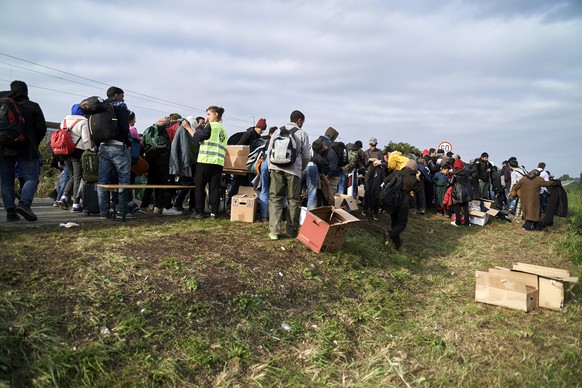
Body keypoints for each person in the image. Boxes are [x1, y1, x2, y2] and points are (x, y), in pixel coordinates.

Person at [0, 80, 47, 222]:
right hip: (27, 148)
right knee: (31, 178)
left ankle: (10, 212)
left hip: (4, 148)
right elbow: (41, 129)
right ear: (26, 91)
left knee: (7, 181)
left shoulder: (2, 105)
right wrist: (35, 143)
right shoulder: (32, 106)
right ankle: (24, 204)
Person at [267, 110, 310, 240]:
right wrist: (300, 169)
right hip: (293, 171)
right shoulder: (302, 134)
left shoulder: (277, 131)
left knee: (275, 198)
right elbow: (307, 156)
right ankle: (291, 231)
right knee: (294, 200)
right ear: (300, 120)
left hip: (276, 167)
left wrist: (271, 167)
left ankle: (274, 231)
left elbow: (269, 151)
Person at [96, 86, 132, 219]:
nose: (123, 98)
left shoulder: (100, 106)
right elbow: (124, 126)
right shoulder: (120, 106)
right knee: (123, 179)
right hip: (117, 146)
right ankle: (122, 211)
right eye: (122, 95)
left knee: (103, 180)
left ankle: (104, 212)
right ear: (116, 95)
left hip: (102, 146)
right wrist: (128, 143)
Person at [192, 106, 228, 218]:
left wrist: (190, 128)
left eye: (209, 114)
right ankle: (214, 212)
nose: (207, 117)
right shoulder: (223, 130)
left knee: (200, 186)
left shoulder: (210, 126)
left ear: (216, 114)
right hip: (218, 162)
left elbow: (199, 137)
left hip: (205, 160)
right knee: (215, 188)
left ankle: (199, 212)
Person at [57, 104, 92, 212]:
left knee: (72, 176)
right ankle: (76, 204)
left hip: (65, 151)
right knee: (77, 177)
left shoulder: (64, 120)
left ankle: (64, 197)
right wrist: (89, 150)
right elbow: (86, 139)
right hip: (77, 152)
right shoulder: (83, 121)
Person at [384, 159, 421, 249]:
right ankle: (390, 234)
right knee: (402, 223)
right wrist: (418, 179)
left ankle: (396, 244)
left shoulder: (396, 172)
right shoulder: (412, 179)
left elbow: (385, 180)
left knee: (394, 221)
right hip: (403, 202)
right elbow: (417, 190)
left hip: (392, 200)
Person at [171, 116, 199, 213]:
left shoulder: (182, 129)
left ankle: (181, 205)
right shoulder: (184, 130)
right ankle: (183, 205)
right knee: (189, 184)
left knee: (188, 184)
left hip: (187, 162)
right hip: (188, 162)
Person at [361, 137, 385, 218]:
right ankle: (365, 208)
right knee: (367, 191)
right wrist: (369, 160)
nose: (373, 147)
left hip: (377, 174)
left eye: (374, 145)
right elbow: (364, 165)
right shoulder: (366, 152)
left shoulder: (380, 152)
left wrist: (378, 161)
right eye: (371, 145)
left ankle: (375, 211)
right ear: (369, 145)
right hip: (368, 174)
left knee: (376, 193)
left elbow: (384, 163)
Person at [450, 158, 476, 227]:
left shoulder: (454, 174)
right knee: (465, 208)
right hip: (466, 192)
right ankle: (466, 222)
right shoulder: (466, 172)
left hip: (457, 193)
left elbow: (451, 183)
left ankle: (458, 222)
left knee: (457, 208)